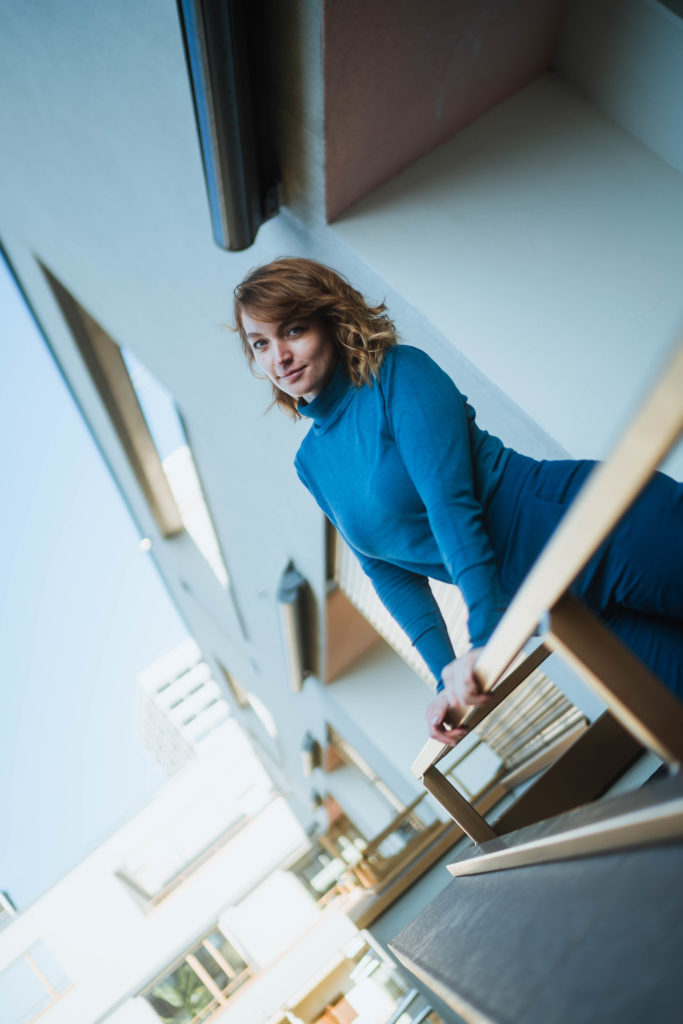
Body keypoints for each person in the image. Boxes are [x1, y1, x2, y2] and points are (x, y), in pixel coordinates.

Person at [234, 257, 683, 744]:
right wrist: (446, 676)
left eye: (293, 330)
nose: (279, 356)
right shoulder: (313, 463)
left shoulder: (398, 374)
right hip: (559, 606)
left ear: (329, 319)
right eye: (261, 343)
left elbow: (451, 505)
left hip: (598, 530)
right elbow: (388, 571)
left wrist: (485, 635)